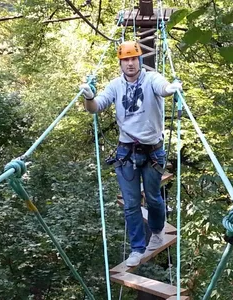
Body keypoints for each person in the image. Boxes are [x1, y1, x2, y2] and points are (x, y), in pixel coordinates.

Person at [79, 41, 182, 267]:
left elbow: (162, 87)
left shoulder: (151, 79)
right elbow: (96, 107)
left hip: (153, 151)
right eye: (126, 60)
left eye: (133, 58)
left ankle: (156, 231)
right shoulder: (115, 85)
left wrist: (170, 88)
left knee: (153, 198)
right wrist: (88, 97)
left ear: (140, 60)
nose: (130, 63)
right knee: (131, 203)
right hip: (126, 151)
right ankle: (137, 248)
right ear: (120, 63)